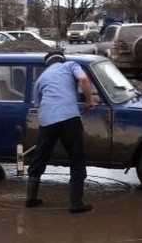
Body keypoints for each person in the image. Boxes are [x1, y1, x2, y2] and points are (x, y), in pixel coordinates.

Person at [25, 51, 95, 214]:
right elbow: (83, 79)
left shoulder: (41, 78)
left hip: (47, 121)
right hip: (69, 118)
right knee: (77, 159)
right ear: (62, 60)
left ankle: (31, 199)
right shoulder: (70, 65)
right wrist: (89, 100)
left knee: (40, 157)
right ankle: (76, 204)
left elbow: (38, 103)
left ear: (47, 64)